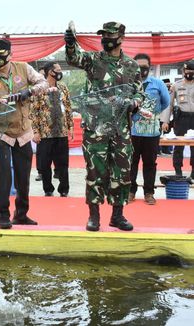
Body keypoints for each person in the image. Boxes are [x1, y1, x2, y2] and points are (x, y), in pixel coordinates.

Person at [65, 21, 144, 231]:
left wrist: (135, 102)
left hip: (121, 129)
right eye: (103, 36)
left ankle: (117, 215)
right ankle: (94, 217)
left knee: (122, 172)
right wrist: (71, 43)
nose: (105, 40)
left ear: (121, 38)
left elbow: (139, 92)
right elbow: (74, 58)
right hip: (96, 128)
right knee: (95, 172)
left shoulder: (132, 65)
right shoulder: (93, 60)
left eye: (110, 36)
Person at [0, 39, 48, 229]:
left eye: (0, 55)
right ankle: (2, 214)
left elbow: (43, 83)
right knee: (4, 176)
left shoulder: (24, 68)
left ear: (10, 54)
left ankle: (21, 214)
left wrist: (29, 92)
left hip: (23, 131)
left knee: (23, 176)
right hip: (1, 133)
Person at [129, 53, 170, 205]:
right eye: (138, 66)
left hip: (152, 132)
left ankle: (149, 193)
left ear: (150, 67)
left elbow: (166, 102)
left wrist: (154, 115)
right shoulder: (129, 84)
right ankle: (130, 191)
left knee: (150, 163)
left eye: (144, 67)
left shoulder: (158, 84)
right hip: (133, 131)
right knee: (131, 163)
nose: (142, 69)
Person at [31, 61, 74, 197]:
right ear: (50, 72)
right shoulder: (38, 89)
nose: (60, 72)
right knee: (44, 164)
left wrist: (70, 126)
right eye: (58, 70)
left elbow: (68, 108)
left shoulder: (63, 88)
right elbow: (33, 111)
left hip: (61, 131)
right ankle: (48, 189)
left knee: (63, 163)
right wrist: (36, 131)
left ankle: (64, 189)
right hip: (45, 132)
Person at [160, 60, 194, 178]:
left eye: (192, 72)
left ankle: (193, 172)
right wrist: (165, 121)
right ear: (183, 71)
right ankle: (178, 170)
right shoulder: (176, 85)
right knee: (178, 145)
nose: (189, 74)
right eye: (187, 71)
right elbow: (169, 104)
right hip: (181, 118)